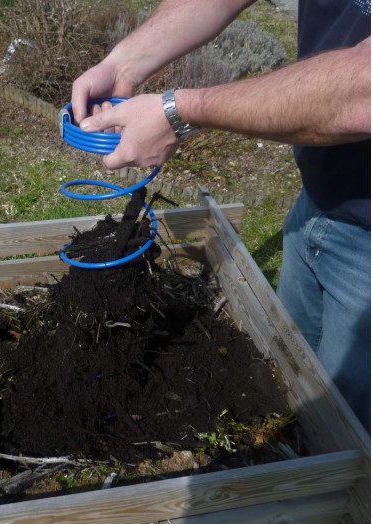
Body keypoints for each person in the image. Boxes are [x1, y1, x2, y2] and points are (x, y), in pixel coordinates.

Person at [71, 0, 371, 430]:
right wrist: (124, 63)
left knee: (347, 440)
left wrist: (178, 112)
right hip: (317, 207)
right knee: (289, 383)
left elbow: (365, 89)